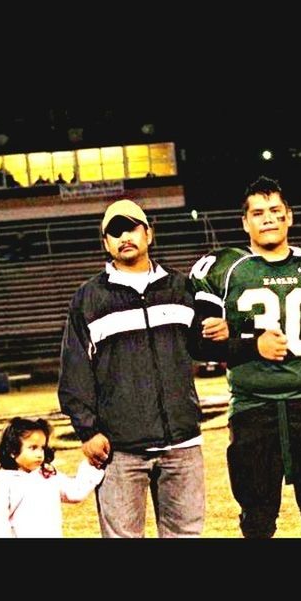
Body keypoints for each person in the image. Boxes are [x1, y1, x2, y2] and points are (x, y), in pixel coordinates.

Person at [189, 175, 301, 539]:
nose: (267, 218)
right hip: (254, 407)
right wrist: (251, 345)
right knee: (257, 516)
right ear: (245, 222)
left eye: (274, 211)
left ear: (289, 216)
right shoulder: (224, 271)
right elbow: (198, 343)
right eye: (258, 213)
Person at [58, 199, 227, 539]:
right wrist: (87, 431)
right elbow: (74, 369)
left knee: (185, 536)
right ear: (106, 243)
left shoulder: (181, 288)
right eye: (114, 232)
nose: (124, 237)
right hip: (120, 448)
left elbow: (202, 346)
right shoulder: (89, 298)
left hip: (182, 442)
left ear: (149, 233)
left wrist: (222, 333)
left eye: (131, 227)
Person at [0, 417, 104, 538]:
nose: (39, 454)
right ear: (13, 450)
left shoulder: (48, 474)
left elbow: (75, 492)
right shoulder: (5, 482)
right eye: (33, 448)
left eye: (42, 447)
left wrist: (93, 465)